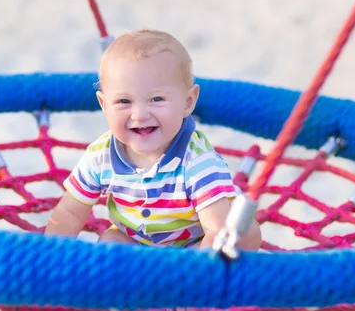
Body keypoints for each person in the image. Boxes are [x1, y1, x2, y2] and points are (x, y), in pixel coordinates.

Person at [45, 29, 261, 249]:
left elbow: (217, 233)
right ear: (104, 105)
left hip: (190, 246)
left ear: (187, 102)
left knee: (243, 235)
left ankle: (180, 280)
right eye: (123, 101)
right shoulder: (100, 155)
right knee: (110, 242)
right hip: (134, 240)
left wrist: (192, 270)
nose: (139, 114)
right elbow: (69, 213)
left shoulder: (198, 162)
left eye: (156, 99)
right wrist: (49, 256)